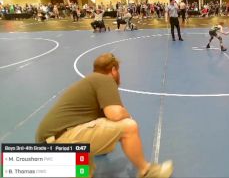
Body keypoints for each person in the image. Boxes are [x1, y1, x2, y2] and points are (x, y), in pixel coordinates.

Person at [36, 53, 174, 178]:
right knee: (128, 127)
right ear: (114, 70)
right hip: (61, 140)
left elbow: (99, 120)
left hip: (49, 142)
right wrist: (127, 115)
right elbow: (114, 114)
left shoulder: (91, 81)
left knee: (86, 173)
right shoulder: (104, 79)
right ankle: (147, 172)